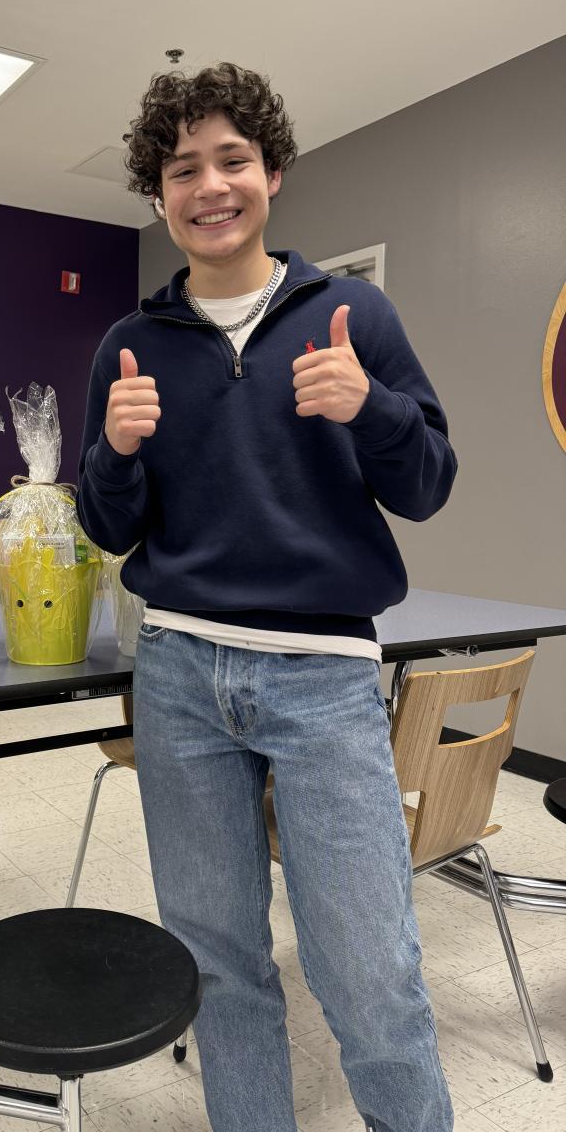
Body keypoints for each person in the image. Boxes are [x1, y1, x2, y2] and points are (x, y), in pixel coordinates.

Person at [76, 63, 457, 1132]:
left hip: (325, 679)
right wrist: (113, 451)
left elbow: (428, 485)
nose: (210, 186)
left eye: (232, 160)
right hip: (180, 675)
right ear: (159, 195)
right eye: (182, 169)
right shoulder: (129, 344)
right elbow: (107, 525)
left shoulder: (352, 313)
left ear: (273, 172)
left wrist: (372, 407)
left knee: (371, 969)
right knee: (216, 963)